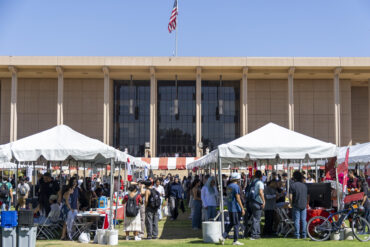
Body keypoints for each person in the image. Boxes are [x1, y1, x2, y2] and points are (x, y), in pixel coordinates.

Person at [219, 173, 245, 246]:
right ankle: (235, 240)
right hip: (235, 208)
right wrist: (242, 208)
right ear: (237, 179)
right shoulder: (236, 186)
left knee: (232, 223)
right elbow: (238, 198)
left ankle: (223, 236)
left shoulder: (229, 186)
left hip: (230, 207)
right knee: (236, 224)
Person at [289, 171, 308, 239]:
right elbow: (308, 196)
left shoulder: (292, 185)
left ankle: (297, 235)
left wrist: (291, 204)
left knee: (297, 220)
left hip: (296, 204)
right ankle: (304, 234)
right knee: (303, 220)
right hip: (304, 204)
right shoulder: (304, 185)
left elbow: (290, 197)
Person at [249, 170, 265, 240]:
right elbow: (261, 192)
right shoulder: (260, 183)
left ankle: (257, 234)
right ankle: (254, 234)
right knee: (256, 219)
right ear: (261, 176)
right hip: (257, 201)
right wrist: (264, 201)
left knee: (256, 219)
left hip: (251, 201)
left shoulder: (252, 182)